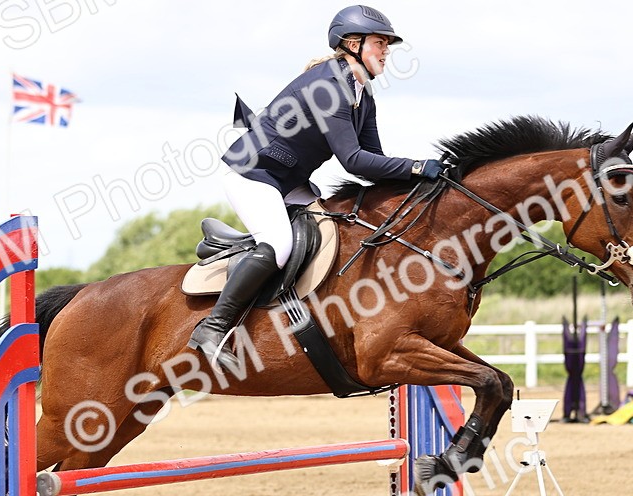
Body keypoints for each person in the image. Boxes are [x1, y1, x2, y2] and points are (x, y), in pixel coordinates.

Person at [188, 5, 443, 372]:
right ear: (353, 44)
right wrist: (416, 166)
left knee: (336, 230)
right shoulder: (330, 87)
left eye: (387, 44)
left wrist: (423, 181)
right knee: (279, 245)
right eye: (380, 43)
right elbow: (353, 161)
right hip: (252, 174)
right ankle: (212, 328)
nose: (386, 51)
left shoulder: (362, 93)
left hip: (290, 181)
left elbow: (374, 160)